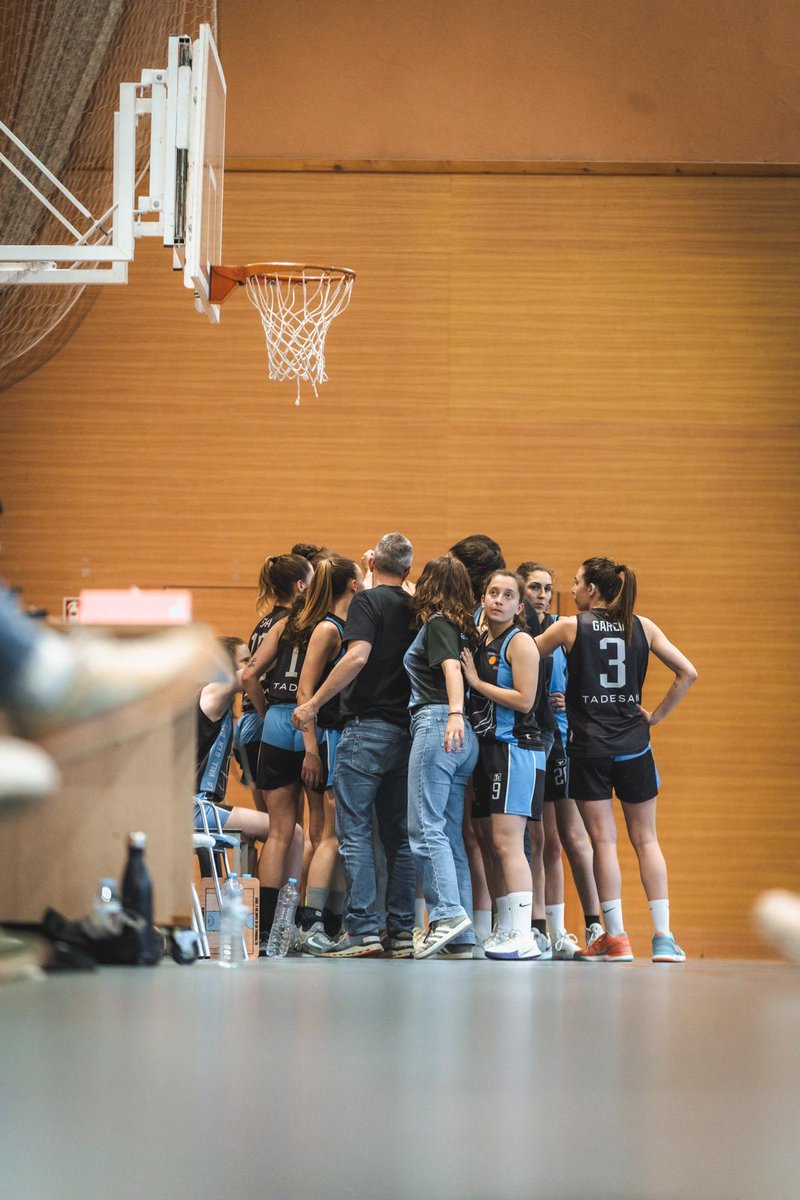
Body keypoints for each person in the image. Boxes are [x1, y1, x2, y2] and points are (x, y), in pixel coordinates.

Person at [535, 557, 698, 962]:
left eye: (575, 583)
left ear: (592, 590)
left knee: (603, 842)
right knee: (646, 841)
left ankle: (617, 937)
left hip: (588, 748)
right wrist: (655, 715)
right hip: (634, 745)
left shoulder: (570, 626)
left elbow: (521, 653)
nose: (571, 591)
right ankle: (662, 937)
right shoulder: (643, 626)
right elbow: (687, 672)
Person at [292, 532, 417, 958]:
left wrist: (313, 704)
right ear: (409, 570)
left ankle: (362, 929)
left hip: (366, 729)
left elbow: (358, 656)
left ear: (373, 565)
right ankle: (400, 931)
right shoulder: (416, 605)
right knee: (398, 837)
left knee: (355, 833)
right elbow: (399, 583)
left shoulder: (365, 603)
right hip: (408, 732)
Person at [461, 570, 547, 960]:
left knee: (507, 842)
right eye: (492, 592)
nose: (498, 600)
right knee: (489, 842)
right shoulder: (482, 641)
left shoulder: (521, 642)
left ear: (518, 605)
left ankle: (523, 934)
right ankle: (504, 927)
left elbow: (525, 700)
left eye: (507, 595)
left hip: (517, 749)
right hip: (489, 749)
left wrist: (477, 683)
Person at [517, 561, 601, 959]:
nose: (543, 594)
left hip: (562, 738)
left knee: (571, 836)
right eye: (535, 587)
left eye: (548, 588)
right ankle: (540, 928)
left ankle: (592, 924)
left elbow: (590, 675)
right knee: (537, 838)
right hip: (527, 739)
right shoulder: (518, 633)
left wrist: (577, 702)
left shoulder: (563, 627)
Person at [404, 556, 480, 959]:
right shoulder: (463, 625)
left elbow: (451, 669)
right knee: (449, 834)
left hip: (439, 724)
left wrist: (454, 712)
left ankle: (447, 915)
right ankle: (462, 936)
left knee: (424, 828)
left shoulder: (437, 624)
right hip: (462, 739)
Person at [291, 555, 364, 946]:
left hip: (335, 735)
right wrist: (311, 750)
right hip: (327, 738)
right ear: (354, 584)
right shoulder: (328, 629)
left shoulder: (346, 626)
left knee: (328, 834)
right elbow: (305, 693)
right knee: (328, 834)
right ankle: (310, 921)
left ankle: (327, 918)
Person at [234, 554, 313, 807]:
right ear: (301, 585)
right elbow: (250, 677)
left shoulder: (263, 623)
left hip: (248, 724)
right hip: (265, 720)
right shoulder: (291, 623)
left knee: (271, 825)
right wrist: (265, 712)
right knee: (286, 826)